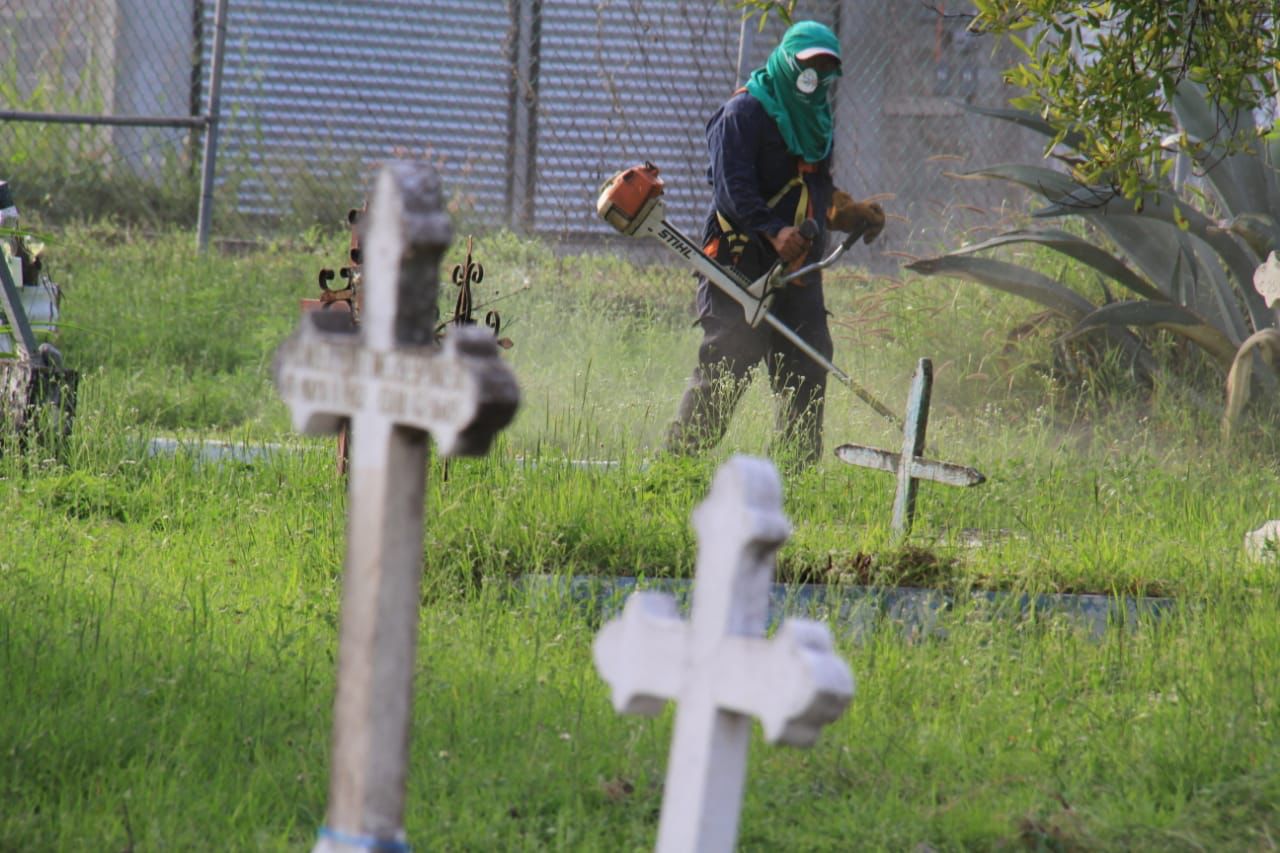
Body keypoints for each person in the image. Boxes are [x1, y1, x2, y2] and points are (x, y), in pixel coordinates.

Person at [664, 20, 885, 467]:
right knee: (729, 360)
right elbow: (732, 188)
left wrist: (843, 212)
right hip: (739, 260)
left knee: (807, 362)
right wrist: (773, 230)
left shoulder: (816, 120)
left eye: (825, 68)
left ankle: (792, 476)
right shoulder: (742, 114)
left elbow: (812, 185)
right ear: (787, 62)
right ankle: (676, 469)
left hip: (796, 268)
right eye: (808, 65)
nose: (815, 76)